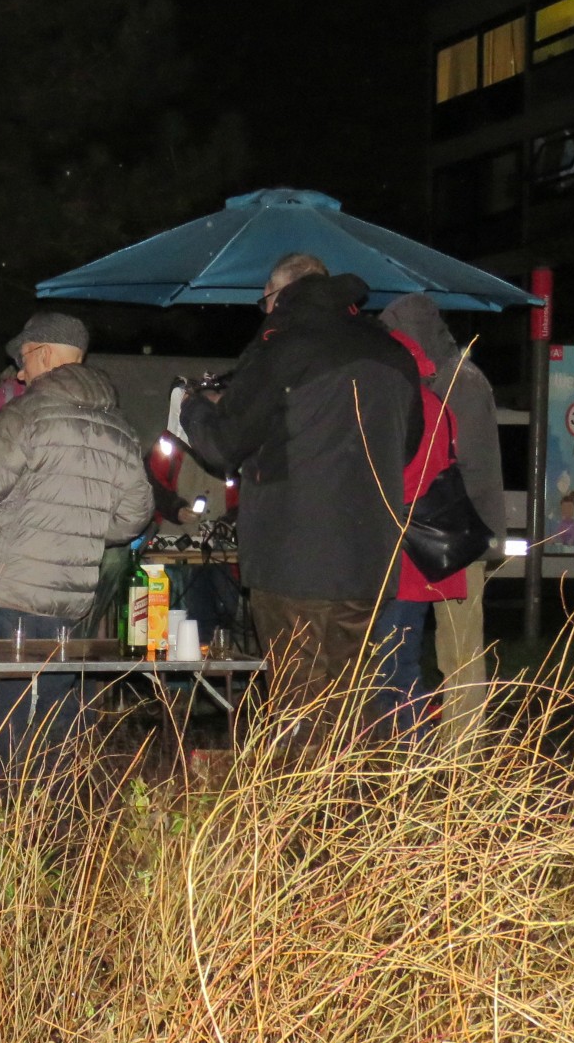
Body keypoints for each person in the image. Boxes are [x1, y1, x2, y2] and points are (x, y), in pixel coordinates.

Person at [180, 253, 422, 749]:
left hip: (294, 556)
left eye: (263, 299)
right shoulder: (392, 353)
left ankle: (299, 821)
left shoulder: (284, 347)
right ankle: (355, 814)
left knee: (298, 705)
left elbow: (226, 444)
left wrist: (192, 411)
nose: (264, 310)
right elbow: (410, 443)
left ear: (279, 293)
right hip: (369, 556)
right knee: (350, 699)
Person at [0, 311, 154, 766]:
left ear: (46, 353)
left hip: (12, 595)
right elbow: (134, 517)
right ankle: (52, 825)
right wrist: (84, 527)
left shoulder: (26, 414)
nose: (19, 371)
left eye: (25, 359)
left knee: (9, 723)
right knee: (55, 718)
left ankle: (10, 827)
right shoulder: (118, 427)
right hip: (73, 601)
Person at [378, 293, 504, 746]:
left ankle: (462, 751)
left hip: (458, 536)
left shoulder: (458, 383)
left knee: (459, 651)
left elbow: (453, 462)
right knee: (441, 647)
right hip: (450, 531)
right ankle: (450, 743)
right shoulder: (452, 376)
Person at [366, 325, 466, 741]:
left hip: (400, 553)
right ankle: (406, 756)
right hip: (425, 553)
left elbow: (390, 480)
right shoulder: (438, 406)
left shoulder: (397, 406)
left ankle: (410, 757)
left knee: (393, 666)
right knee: (401, 661)